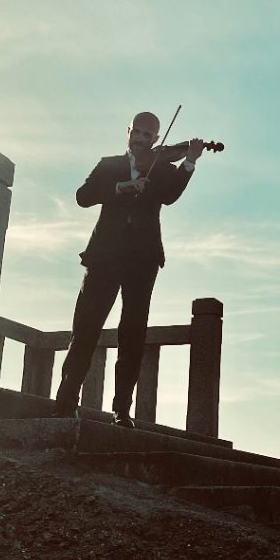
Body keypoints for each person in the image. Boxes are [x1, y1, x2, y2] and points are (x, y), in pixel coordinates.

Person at [53, 113, 203, 427]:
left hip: (143, 259)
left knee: (133, 332)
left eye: (149, 135)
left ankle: (122, 410)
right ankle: (66, 402)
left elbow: (170, 196)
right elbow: (83, 197)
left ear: (156, 139)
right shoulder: (108, 165)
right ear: (129, 132)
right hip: (104, 256)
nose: (142, 139)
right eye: (138, 132)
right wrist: (121, 188)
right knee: (86, 328)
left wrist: (189, 161)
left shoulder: (163, 168)